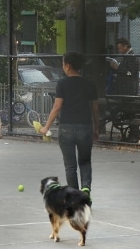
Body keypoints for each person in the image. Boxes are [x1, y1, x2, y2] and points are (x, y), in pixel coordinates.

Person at [40, 52, 99, 205]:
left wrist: (46, 127)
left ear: (68, 66)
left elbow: (57, 106)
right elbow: (95, 108)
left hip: (66, 128)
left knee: (70, 166)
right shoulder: (89, 84)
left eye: (63, 64)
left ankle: (76, 197)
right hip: (85, 127)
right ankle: (86, 188)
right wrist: (97, 128)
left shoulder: (62, 84)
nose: (63, 67)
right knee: (85, 161)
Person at [109, 38, 140, 142]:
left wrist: (118, 67)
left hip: (129, 90)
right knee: (128, 112)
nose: (119, 50)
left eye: (120, 48)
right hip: (126, 90)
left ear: (126, 46)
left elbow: (130, 72)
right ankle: (133, 133)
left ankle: (135, 134)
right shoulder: (127, 57)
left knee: (131, 112)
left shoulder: (131, 57)